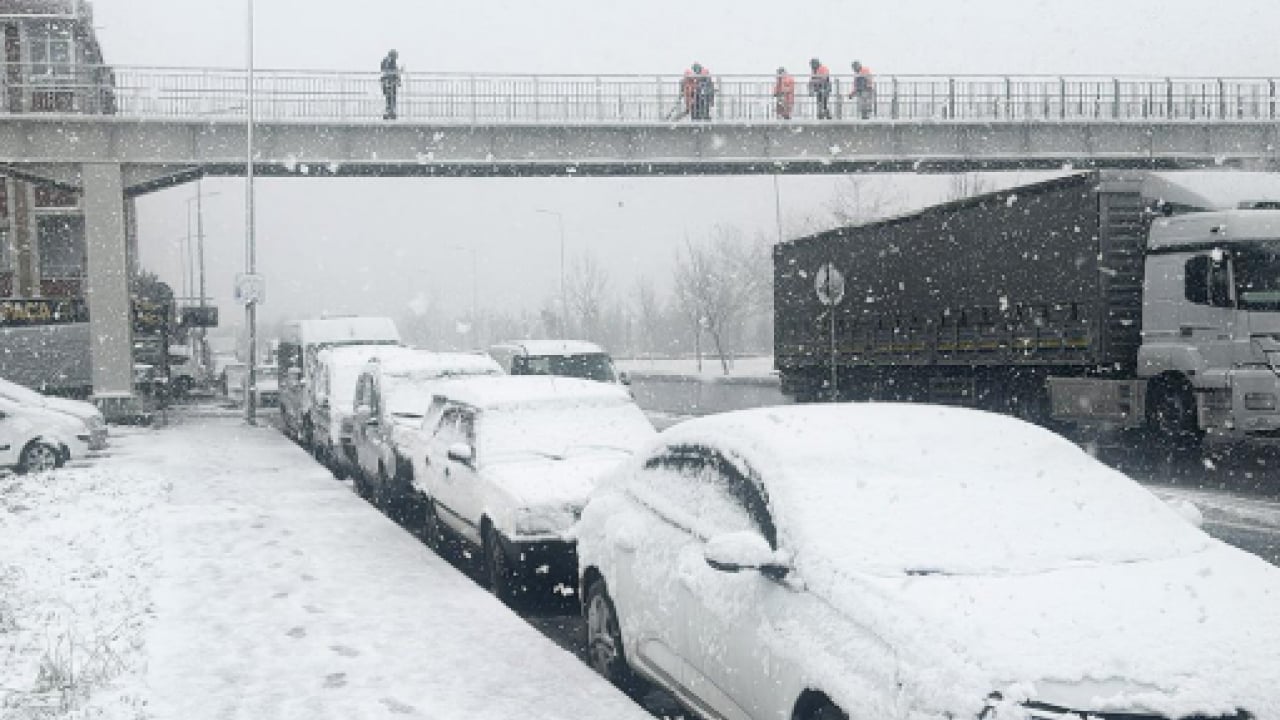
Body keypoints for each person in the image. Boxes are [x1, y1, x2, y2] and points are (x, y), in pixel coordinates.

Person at [380, 49, 401, 120]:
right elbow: (388, 70)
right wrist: (397, 76)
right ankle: (390, 113)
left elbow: (388, 70)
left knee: (390, 98)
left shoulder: (388, 61)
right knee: (391, 98)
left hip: (388, 82)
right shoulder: (389, 61)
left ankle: (390, 112)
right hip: (389, 83)